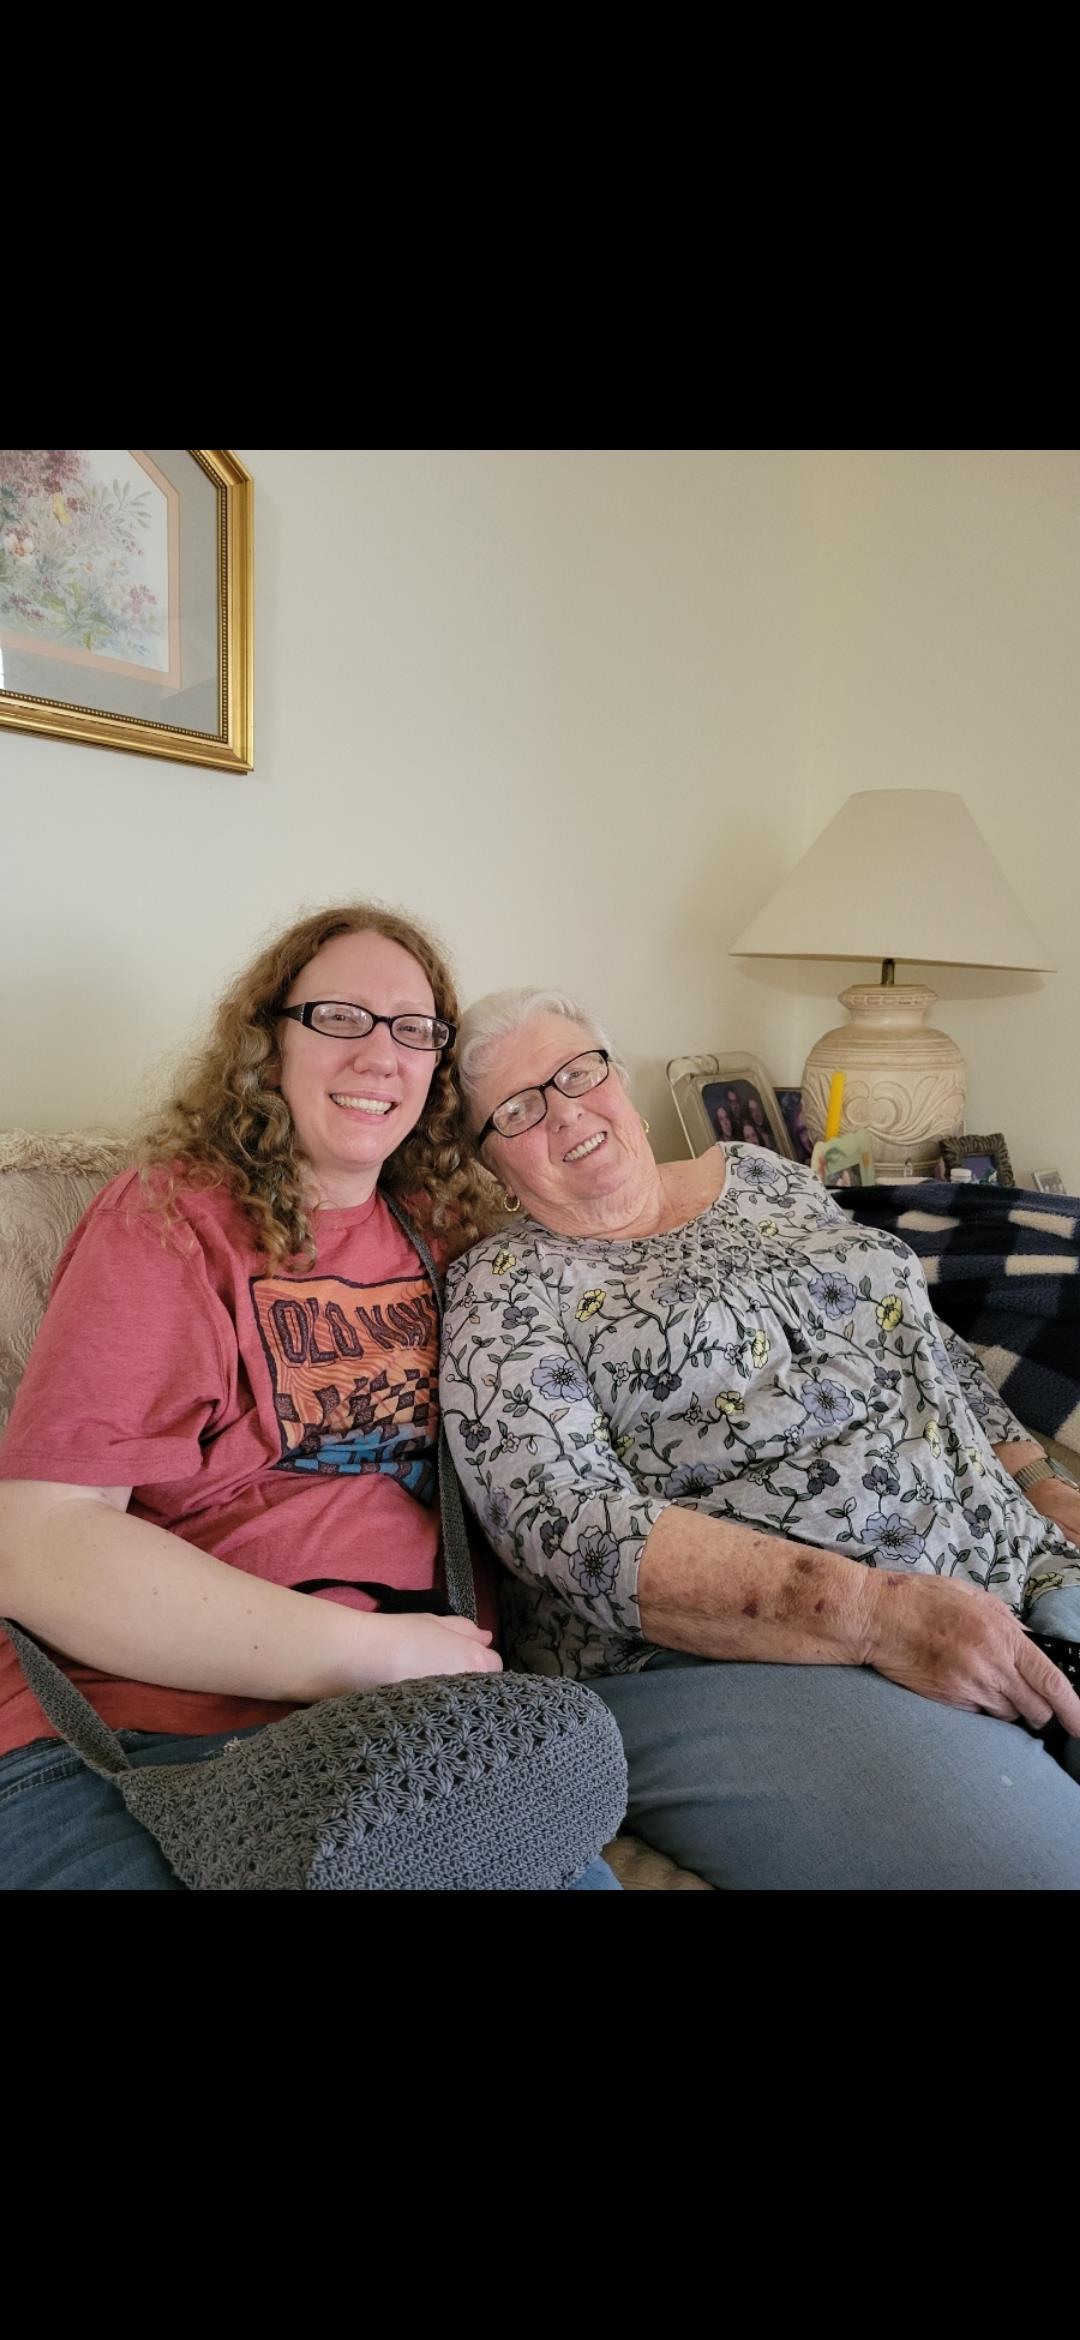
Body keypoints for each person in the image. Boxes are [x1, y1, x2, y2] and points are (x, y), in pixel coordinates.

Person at [0, 912, 622, 1890]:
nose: (382, 1054)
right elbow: (43, 1545)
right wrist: (370, 1654)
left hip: (405, 1740)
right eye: (341, 1018)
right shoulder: (172, 1218)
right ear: (269, 1043)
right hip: (139, 1734)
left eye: (415, 1030)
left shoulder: (451, 1237)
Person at [440, 985, 1080, 1890]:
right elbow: (566, 1525)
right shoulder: (504, 1287)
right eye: (518, 1109)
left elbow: (920, 1340)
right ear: (492, 1167)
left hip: (1014, 1561)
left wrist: (1042, 1485)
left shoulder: (761, 1172)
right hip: (761, 1658)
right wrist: (874, 1615)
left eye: (578, 1072)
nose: (567, 1112)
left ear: (617, 1075)